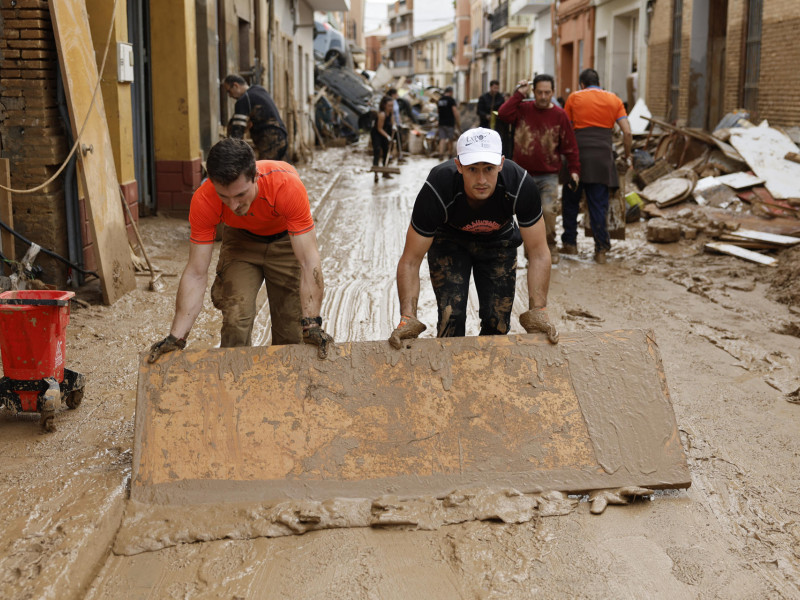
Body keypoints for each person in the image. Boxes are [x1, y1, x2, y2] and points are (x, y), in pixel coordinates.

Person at [148, 138, 333, 362]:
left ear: (255, 176)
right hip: (240, 242)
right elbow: (196, 272)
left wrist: (312, 324)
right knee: (236, 318)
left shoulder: (286, 185)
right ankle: (232, 383)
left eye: (240, 195)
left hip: (286, 241)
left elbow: (308, 261)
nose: (233, 206)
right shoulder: (204, 199)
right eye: (224, 197)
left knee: (290, 332)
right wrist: (176, 338)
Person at [388, 127, 559, 348]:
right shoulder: (438, 187)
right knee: (452, 318)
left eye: (488, 169)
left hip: (499, 242)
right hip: (449, 241)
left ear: (501, 163)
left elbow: (538, 252)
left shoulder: (520, 184)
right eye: (472, 169)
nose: (481, 179)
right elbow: (410, 260)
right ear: (459, 165)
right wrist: (407, 317)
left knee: (497, 322)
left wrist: (538, 311)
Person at [498, 74, 581, 264]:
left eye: (547, 92)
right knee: (526, 215)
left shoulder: (560, 115)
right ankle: (531, 254)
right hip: (522, 175)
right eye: (540, 92)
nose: (544, 96)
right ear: (533, 92)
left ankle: (550, 245)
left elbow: (570, 146)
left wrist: (575, 170)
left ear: (553, 92)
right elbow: (503, 114)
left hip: (549, 175)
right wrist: (519, 94)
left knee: (549, 211)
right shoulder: (522, 108)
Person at [562, 68, 632, 264]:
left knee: (570, 202)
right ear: (599, 82)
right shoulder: (614, 100)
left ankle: (570, 244)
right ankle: (600, 250)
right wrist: (627, 156)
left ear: (582, 84)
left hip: (577, 158)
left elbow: (565, 129)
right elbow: (627, 132)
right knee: (598, 206)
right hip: (602, 159)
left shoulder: (574, 98)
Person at [223, 74, 288, 161]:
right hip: (281, 136)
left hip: (269, 141)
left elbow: (237, 131)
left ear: (236, 86)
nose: (230, 96)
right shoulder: (259, 90)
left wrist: (231, 152)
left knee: (264, 170)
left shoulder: (244, 100)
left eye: (229, 91)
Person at [477, 80, 511, 156]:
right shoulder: (483, 98)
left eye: (497, 88)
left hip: (497, 125)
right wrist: (486, 116)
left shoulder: (500, 97)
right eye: (494, 88)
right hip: (485, 124)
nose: (496, 90)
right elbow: (479, 111)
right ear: (491, 87)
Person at [371, 96, 395, 182]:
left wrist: (394, 127)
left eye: (392, 105)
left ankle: (385, 171)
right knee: (377, 151)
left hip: (386, 133)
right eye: (389, 106)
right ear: (384, 105)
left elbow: (392, 123)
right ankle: (376, 173)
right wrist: (388, 137)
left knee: (386, 151)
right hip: (377, 134)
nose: (391, 107)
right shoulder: (382, 114)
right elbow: (379, 128)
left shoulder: (391, 113)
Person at [436, 86, 461, 160]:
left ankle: (441, 155)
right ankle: (450, 154)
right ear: (451, 92)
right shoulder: (451, 100)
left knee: (442, 139)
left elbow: (438, 111)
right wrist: (458, 121)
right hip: (450, 122)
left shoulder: (440, 100)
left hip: (441, 122)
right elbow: (454, 111)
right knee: (450, 139)